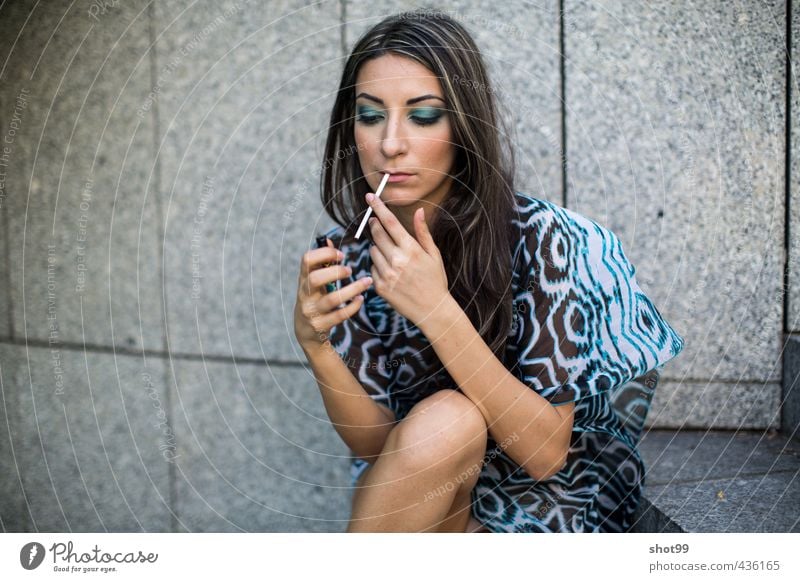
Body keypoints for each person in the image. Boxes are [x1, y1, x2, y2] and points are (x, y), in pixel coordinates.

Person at [293, 10, 684, 533]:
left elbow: (545, 453)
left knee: (449, 417)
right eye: (370, 114)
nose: (390, 143)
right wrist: (316, 345)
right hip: (426, 503)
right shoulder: (352, 254)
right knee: (437, 428)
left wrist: (435, 310)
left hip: (546, 507)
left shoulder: (544, 239)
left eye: (423, 115)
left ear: (463, 123)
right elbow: (377, 447)